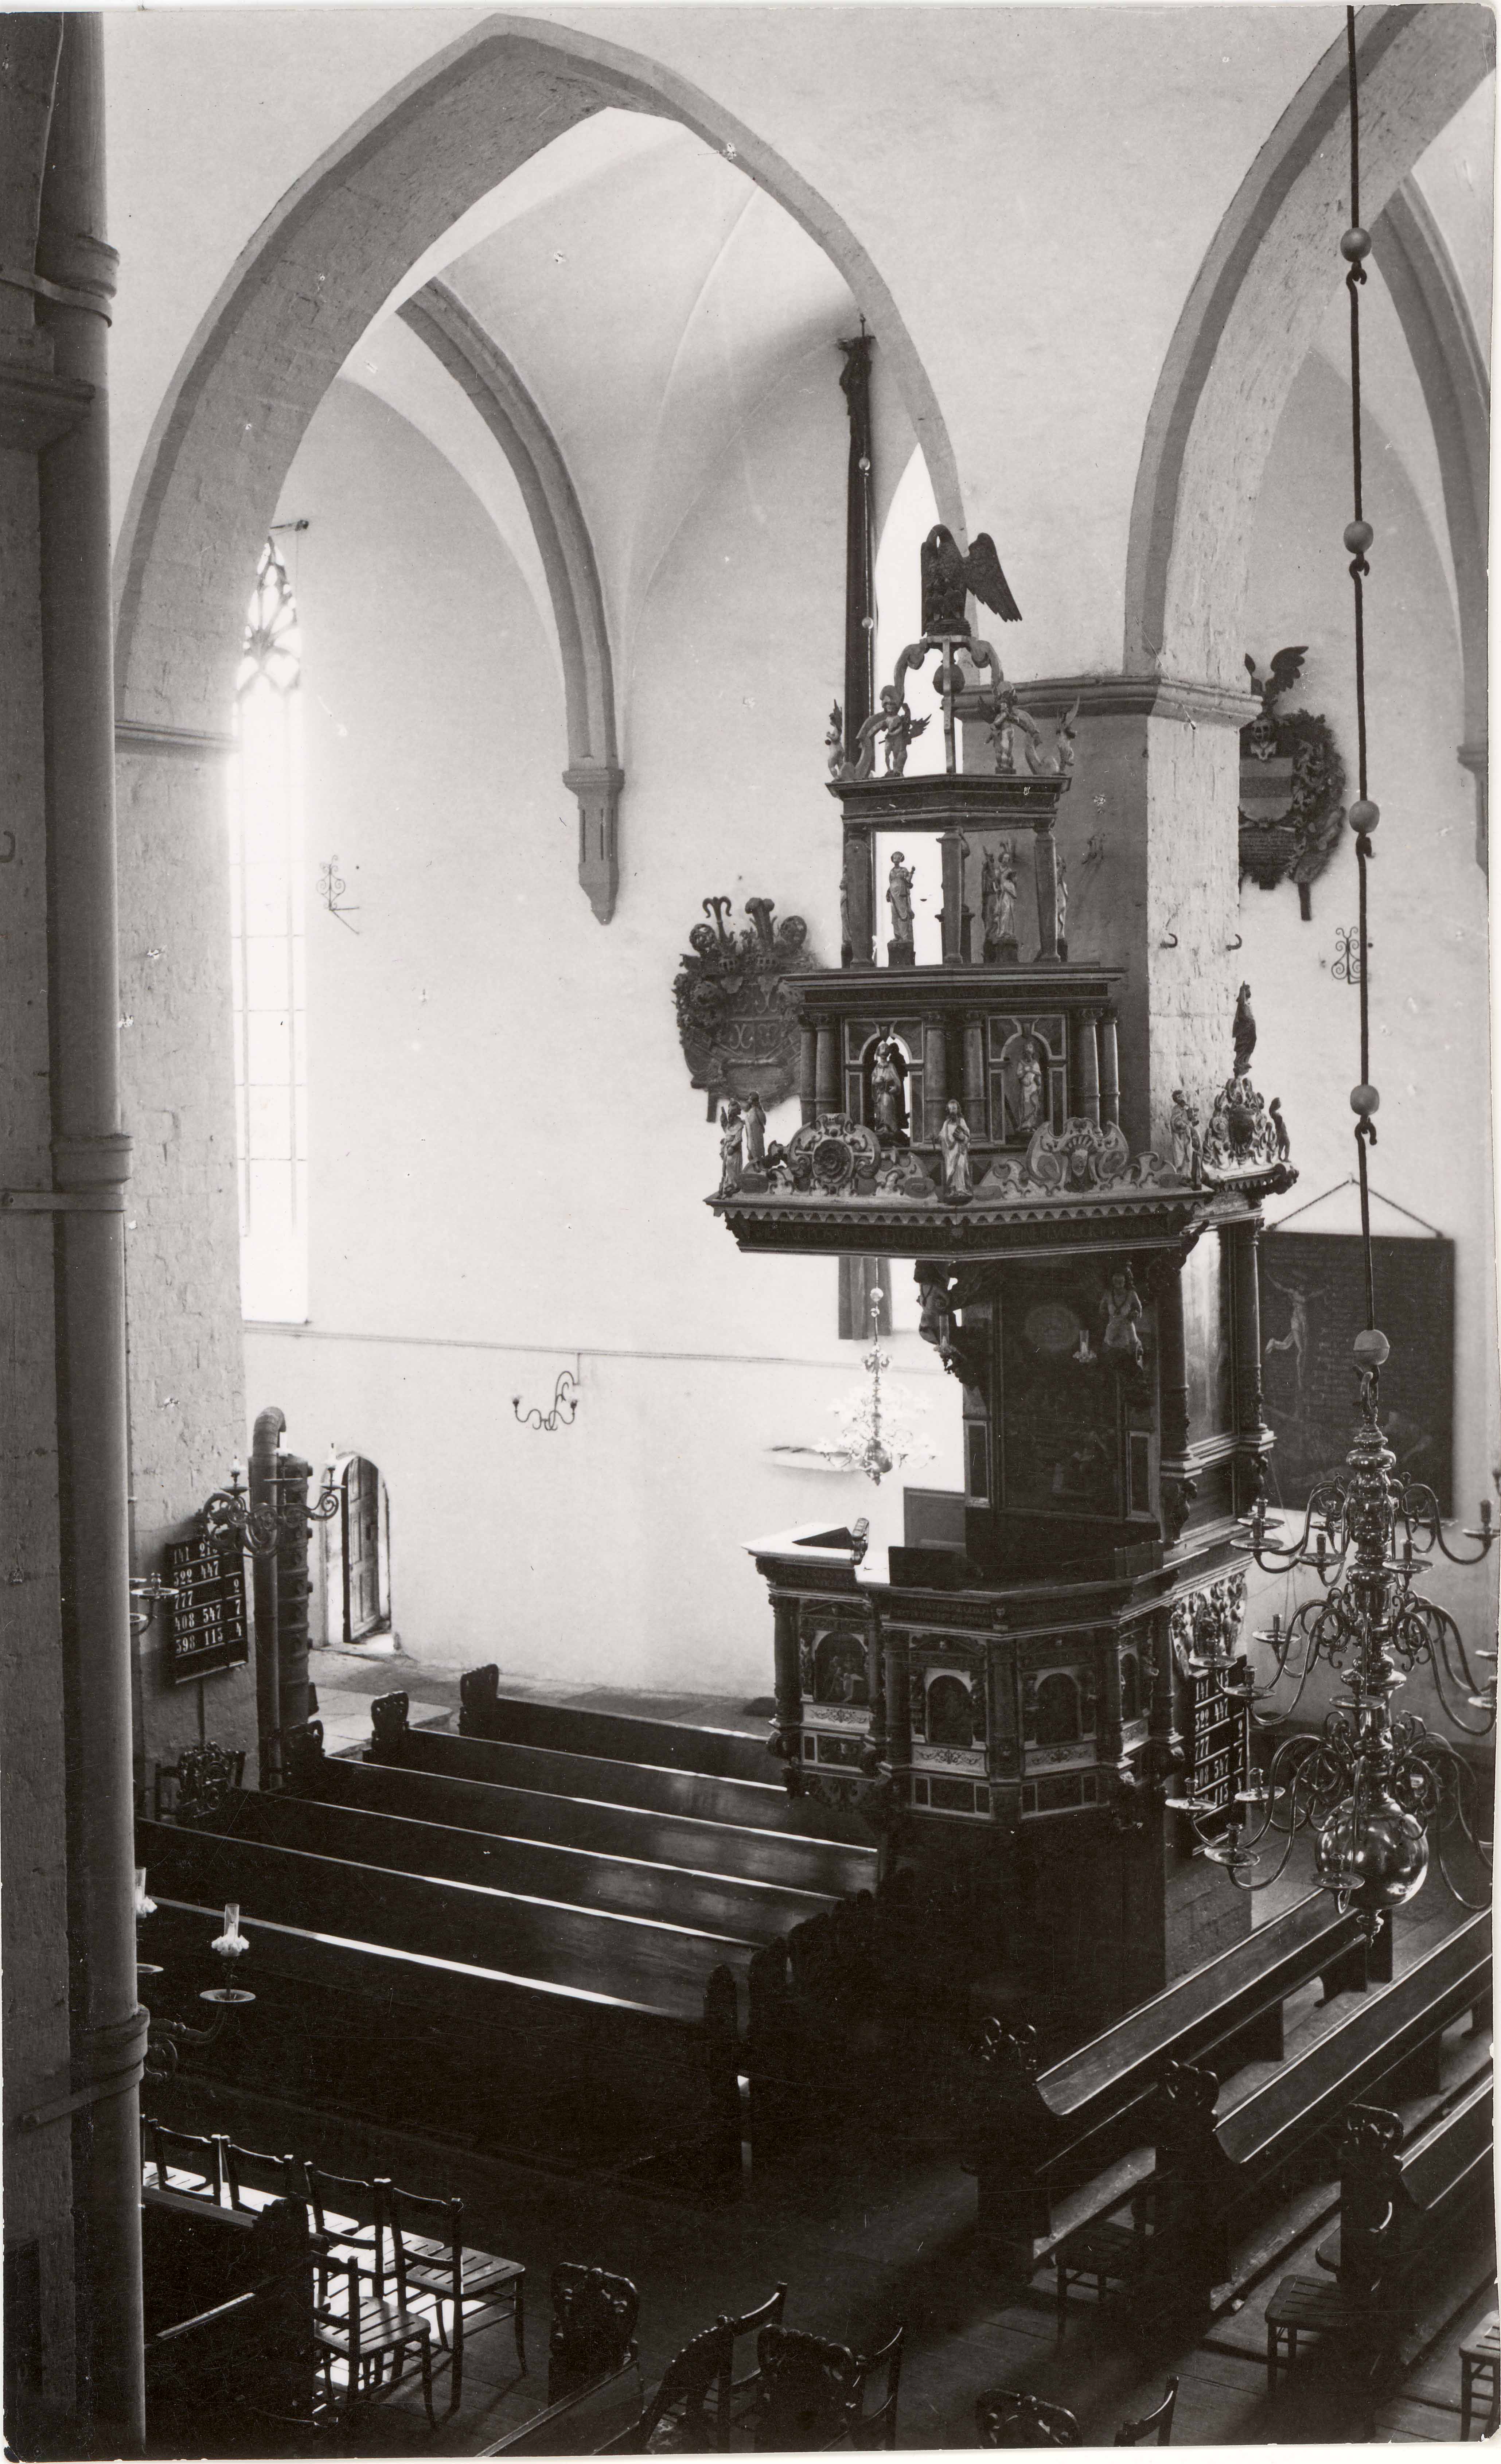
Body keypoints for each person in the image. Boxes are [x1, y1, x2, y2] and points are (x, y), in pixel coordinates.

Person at [870, 1032, 906, 1140]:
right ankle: (882, 1128)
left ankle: (889, 1129)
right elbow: (873, 1079)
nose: (884, 1055)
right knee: (880, 1111)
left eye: (886, 1052)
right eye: (882, 1051)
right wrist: (876, 1080)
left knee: (887, 1107)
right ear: (879, 1054)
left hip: (888, 1094)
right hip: (879, 1095)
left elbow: (897, 1081)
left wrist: (895, 1088)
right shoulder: (877, 1067)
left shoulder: (891, 1066)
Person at [939, 1099, 972, 1198]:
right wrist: (937, 1138)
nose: (952, 1111)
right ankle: (953, 1190)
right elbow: (942, 1136)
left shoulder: (962, 1121)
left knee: (960, 1167)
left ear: (958, 1109)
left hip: (960, 1150)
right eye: (950, 1109)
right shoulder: (946, 1123)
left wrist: (964, 1138)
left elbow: (968, 1134)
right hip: (950, 1153)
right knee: (951, 1170)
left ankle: (962, 1190)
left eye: (954, 1108)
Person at [886, 851, 915, 946]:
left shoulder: (904, 870)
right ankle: (897, 936)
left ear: (901, 860)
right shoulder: (891, 871)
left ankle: (905, 936)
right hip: (893, 895)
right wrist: (888, 892)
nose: (896, 860)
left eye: (898, 858)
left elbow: (908, 881)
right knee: (895, 915)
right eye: (895, 858)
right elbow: (891, 883)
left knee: (903, 914)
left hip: (901, 895)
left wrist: (912, 873)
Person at [717, 1100, 744, 1196]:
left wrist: (732, 1146)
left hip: (734, 1150)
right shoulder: (731, 1123)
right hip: (727, 1148)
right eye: (729, 1112)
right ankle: (727, 1186)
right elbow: (727, 1130)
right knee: (726, 1168)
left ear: (736, 1113)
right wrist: (723, 1120)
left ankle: (733, 1186)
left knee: (732, 1167)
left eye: (732, 1113)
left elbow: (738, 1138)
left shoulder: (739, 1124)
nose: (730, 1115)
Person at [742, 1091, 767, 1170]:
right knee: (753, 1155)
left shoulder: (756, 1112)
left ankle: (759, 1168)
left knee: (757, 1155)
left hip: (756, 1138)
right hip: (752, 1138)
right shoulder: (755, 1112)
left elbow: (759, 1122)